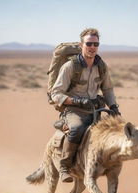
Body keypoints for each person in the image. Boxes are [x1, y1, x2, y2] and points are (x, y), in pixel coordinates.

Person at [50, 28, 120, 183]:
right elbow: (56, 93)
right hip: (74, 110)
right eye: (89, 43)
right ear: (82, 44)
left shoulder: (101, 66)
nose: (92, 47)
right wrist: (77, 101)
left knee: (114, 131)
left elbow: (107, 89)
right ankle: (64, 167)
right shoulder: (70, 67)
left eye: (96, 44)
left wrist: (114, 107)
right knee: (77, 129)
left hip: (96, 110)